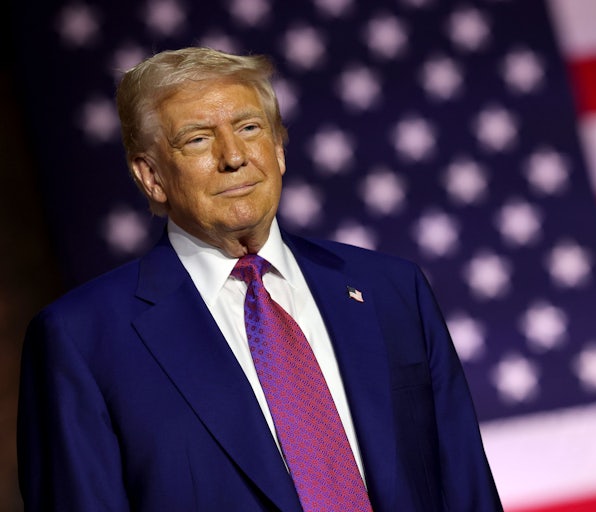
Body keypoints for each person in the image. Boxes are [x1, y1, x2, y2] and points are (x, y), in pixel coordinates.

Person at [17, 47, 502, 512]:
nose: (234, 156)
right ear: (151, 176)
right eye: (198, 139)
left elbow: (465, 487)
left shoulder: (392, 290)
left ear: (278, 149)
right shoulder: (82, 339)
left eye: (249, 128)